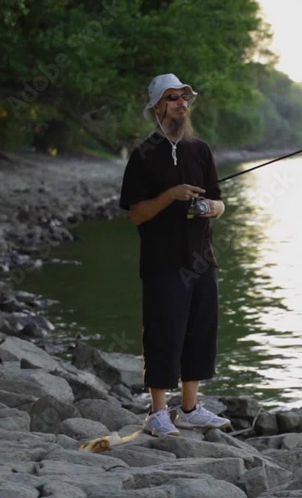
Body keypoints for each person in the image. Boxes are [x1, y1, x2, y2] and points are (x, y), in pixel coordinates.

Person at [118, 73, 231, 436]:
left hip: (201, 259)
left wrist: (208, 207)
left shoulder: (201, 149)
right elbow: (136, 214)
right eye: (172, 97)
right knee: (164, 334)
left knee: (201, 332)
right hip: (161, 262)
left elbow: (220, 203)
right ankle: (157, 413)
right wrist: (171, 195)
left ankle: (190, 408)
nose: (181, 103)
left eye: (185, 97)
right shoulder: (143, 154)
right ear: (157, 107)